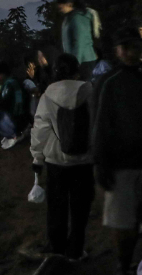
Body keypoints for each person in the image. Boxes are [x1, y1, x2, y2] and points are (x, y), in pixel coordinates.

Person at [92, 28, 142, 275]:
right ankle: (123, 269)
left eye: (135, 47)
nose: (131, 52)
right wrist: (101, 162)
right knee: (124, 221)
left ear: (141, 49)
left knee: (137, 218)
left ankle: (129, 265)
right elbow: (100, 125)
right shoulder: (109, 83)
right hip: (120, 163)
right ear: (118, 51)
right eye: (125, 47)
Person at [31, 53, 96, 259]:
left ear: (56, 72)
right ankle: (76, 249)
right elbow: (97, 124)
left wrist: (37, 158)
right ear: (77, 71)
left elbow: (40, 130)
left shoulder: (47, 96)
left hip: (56, 161)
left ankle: (56, 246)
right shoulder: (90, 91)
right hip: (84, 161)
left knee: (57, 206)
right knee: (80, 207)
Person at [0, 60, 30, 149]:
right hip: (22, 118)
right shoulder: (9, 83)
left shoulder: (10, 83)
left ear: (2, 74)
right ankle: (15, 133)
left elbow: (2, 102)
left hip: (20, 120)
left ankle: (15, 135)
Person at [54, 0, 100, 79]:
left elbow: (79, 43)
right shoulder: (69, 17)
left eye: (61, 5)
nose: (59, 8)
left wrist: (74, 65)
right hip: (76, 61)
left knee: (83, 89)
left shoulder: (78, 18)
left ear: (69, 4)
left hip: (84, 61)